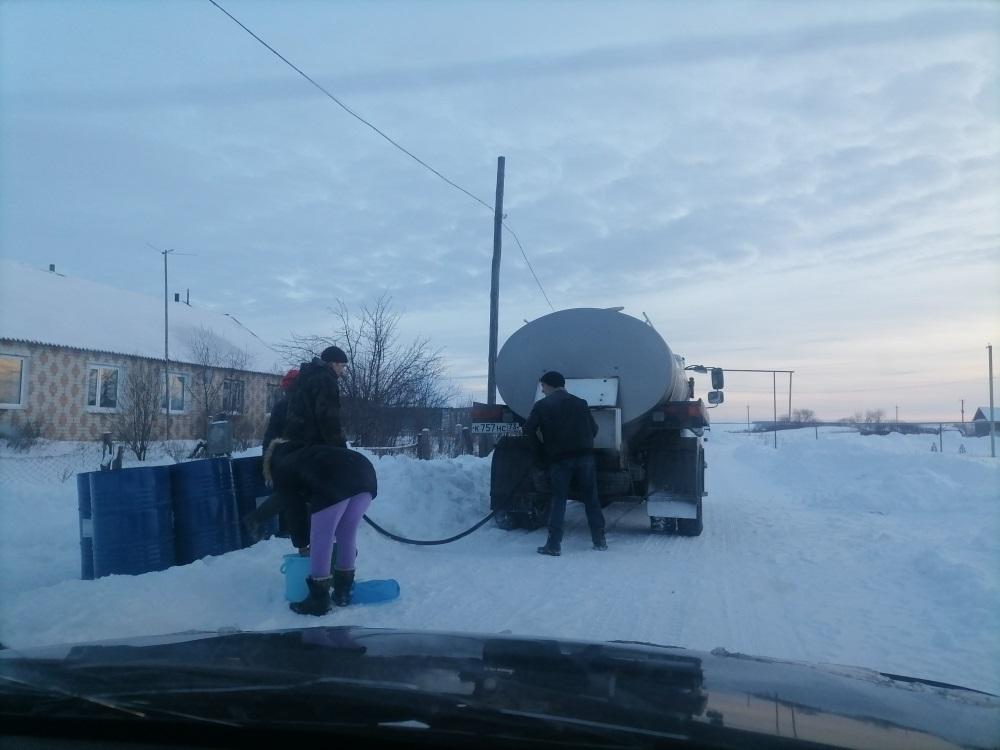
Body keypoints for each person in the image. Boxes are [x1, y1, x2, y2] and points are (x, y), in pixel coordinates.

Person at [266, 345, 378, 615]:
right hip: (364, 473)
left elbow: (290, 501)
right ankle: (343, 591)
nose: (342, 371)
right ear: (332, 363)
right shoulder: (324, 379)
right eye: (341, 365)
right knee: (347, 532)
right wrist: (340, 449)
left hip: (331, 470)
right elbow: (328, 417)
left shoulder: (286, 462)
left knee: (322, 534)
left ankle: (318, 599)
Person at [523, 371, 607, 555]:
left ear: (550, 385)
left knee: (559, 499)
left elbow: (528, 431)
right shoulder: (580, 403)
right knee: (591, 498)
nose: (543, 390)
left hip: (559, 459)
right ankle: (599, 539)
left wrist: (540, 453)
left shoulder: (542, 405)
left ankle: (553, 545)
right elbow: (594, 429)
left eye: (543, 386)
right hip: (585, 458)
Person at [242, 369, 306, 549]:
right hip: (286, 456)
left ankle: (286, 528)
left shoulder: (287, 404)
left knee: (292, 493)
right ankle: (254, 519)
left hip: (282, 455)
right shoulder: (292, 406)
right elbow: (281, 435)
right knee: (290, 493)